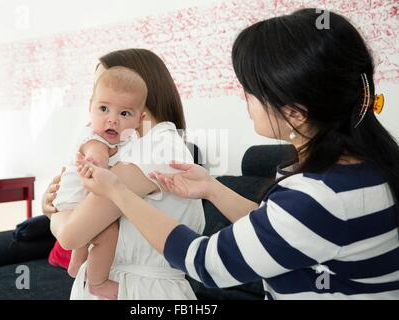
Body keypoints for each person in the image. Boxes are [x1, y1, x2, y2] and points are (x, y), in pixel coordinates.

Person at [75, 9, 399, 299]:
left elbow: (204, 262)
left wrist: (117, 191)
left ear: (296, 113)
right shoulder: (363, 171)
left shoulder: (321, 196)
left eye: (250, 90)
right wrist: (212, 188)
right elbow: (275, 227)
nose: (243, 98)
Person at [43, 49, 205, 300]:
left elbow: (70, 235)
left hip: (142, 292)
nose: (105, 115)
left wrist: (55, 213)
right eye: (100, 103)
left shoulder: (158, 148)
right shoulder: (128, 148)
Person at [52, 66, 148, 299]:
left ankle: (77, 262)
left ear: (139, 119)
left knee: (97, 230)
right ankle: (97, 282)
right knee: (108, 232)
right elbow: (98, 155)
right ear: (90, 108)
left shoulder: (132, 144)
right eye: (103, 109)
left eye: (124, 114)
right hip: (74, 201)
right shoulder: (94, 138)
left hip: (77, 202)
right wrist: (96, 162)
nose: (112, 119)